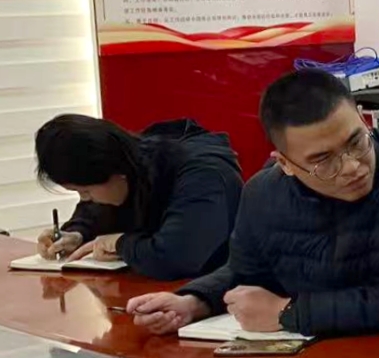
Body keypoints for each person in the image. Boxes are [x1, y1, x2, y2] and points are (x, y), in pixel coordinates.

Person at [126, 69, 379, 343]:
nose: (352, 167)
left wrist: (287, 313)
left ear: (363, 119)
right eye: (323, 160)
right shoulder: (264, 194)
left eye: (356, 142)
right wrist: (194, 301)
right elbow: (248, 273)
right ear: (284, 164)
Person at [34, 115, 242, 279]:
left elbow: (176, 256)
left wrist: (120, 244)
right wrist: (78, 233)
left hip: (221, 298)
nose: (85, 199)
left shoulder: (202, 175)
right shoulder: (132, 162)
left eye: (86, 191)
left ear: (116, 171)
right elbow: (97, 211)